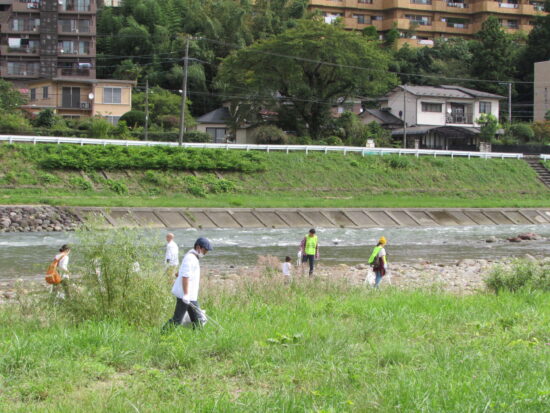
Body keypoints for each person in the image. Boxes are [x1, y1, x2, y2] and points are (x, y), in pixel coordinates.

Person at [163, 237, 212, 330]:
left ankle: (198, 339)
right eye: (205, 250)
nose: (205, 253)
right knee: (177, 320)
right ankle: (162, 336)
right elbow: (185, 276)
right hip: (185, 296)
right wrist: (185, 294)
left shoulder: (192, 256)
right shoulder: (190, 258)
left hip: (190, 296)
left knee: (197, 320)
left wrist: (178, 274)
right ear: (198, 247)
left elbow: (181, 272)